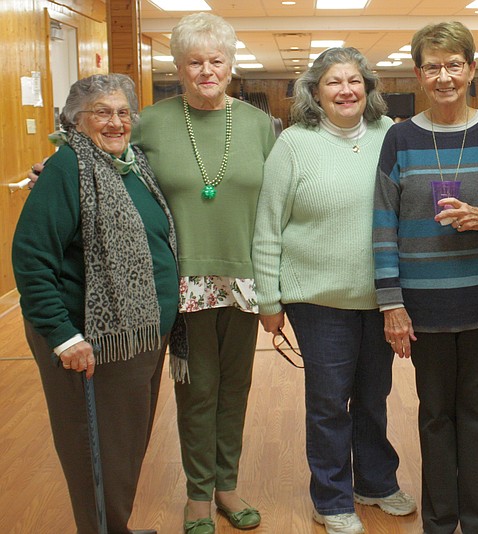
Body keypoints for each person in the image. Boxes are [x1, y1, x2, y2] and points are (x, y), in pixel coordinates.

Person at [372, 21, 478, 534]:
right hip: (426, 305)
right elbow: (382, 225)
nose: (445, 76)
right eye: (433, 67)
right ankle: (440, 523)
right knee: (435, 417)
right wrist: (391, 303)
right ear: (419, 74)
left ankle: (477, 523)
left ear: (471, 70)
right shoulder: (400, 138)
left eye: (454, 65)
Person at [252, 46, 416, 534]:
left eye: (354, 81)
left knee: (374, 396)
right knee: (328, 401)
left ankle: (376, 482)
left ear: (368, 89)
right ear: (314, 92)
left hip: (381, 296)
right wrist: (268, 299)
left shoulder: (391, 136)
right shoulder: (294, 144)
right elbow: (268, 226)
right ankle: (331, 497)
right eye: (333, 82)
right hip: (317, 299)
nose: (346, 90)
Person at [12, 74, 179, 534]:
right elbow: (31, 256)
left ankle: (115, 527)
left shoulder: (131, 164)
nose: (116, 122)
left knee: (123, 447)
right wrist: (64, 337)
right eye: (102, 112)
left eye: (124, 112)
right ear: (75, 120)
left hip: (139, 332)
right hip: (93, 340)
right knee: (97, 451)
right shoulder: (68, 168)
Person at [132, 13, 276, 534]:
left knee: (235, 388)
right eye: (195, 61)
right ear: (178, 66)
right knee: (196, 390)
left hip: (245, 279)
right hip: (181, 282)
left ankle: (226, 485)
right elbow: (107, 166)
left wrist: (274, 288)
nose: (207, 70)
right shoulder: (148, 123)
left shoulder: (260, 126)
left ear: (232, 65)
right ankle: (197, 493)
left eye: (217, 60)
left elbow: (274, 207)